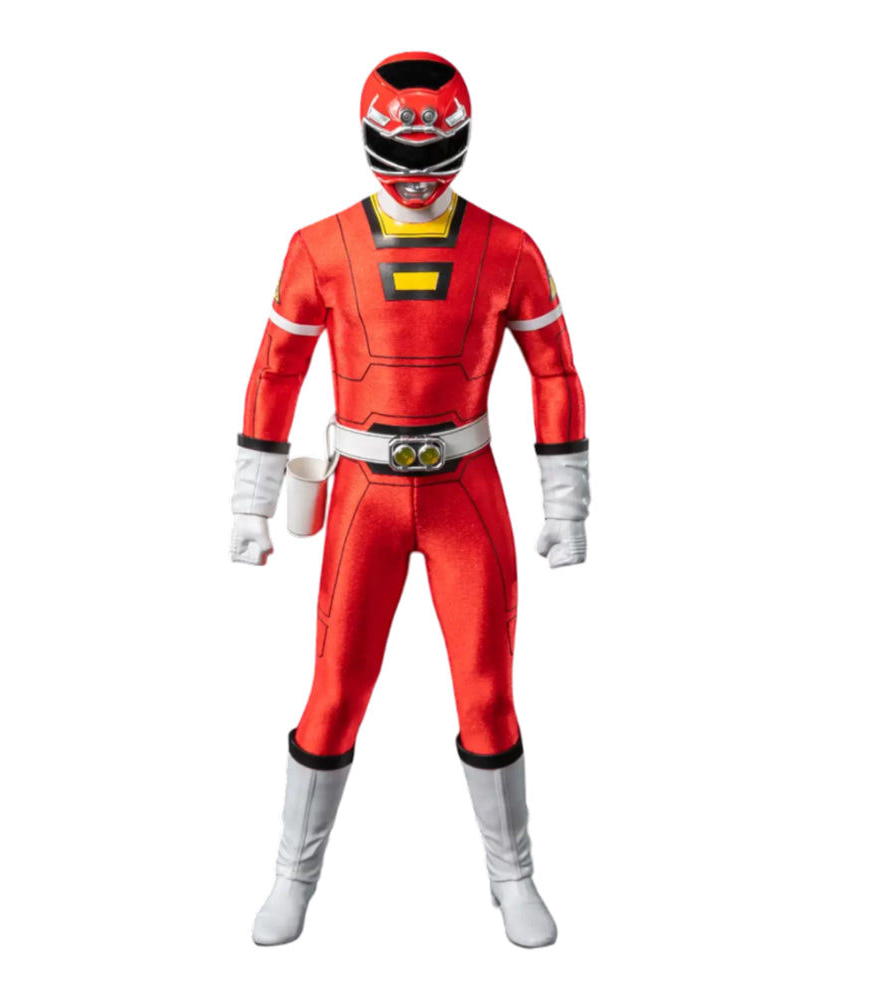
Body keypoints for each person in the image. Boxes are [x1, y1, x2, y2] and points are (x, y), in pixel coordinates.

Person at [230, 52, 589, 948]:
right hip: (367, 497)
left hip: (467, 494)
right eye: (398, 154)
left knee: (487, 696)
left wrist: (567, 500)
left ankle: (513, 875)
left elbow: (555, 371)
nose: (417, 176)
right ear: (366, 141)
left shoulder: (510, 249)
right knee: (334, 694)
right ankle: (292, 875)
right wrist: (250, 497)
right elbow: (275, 371)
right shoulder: (318, 247)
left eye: (436, 154)